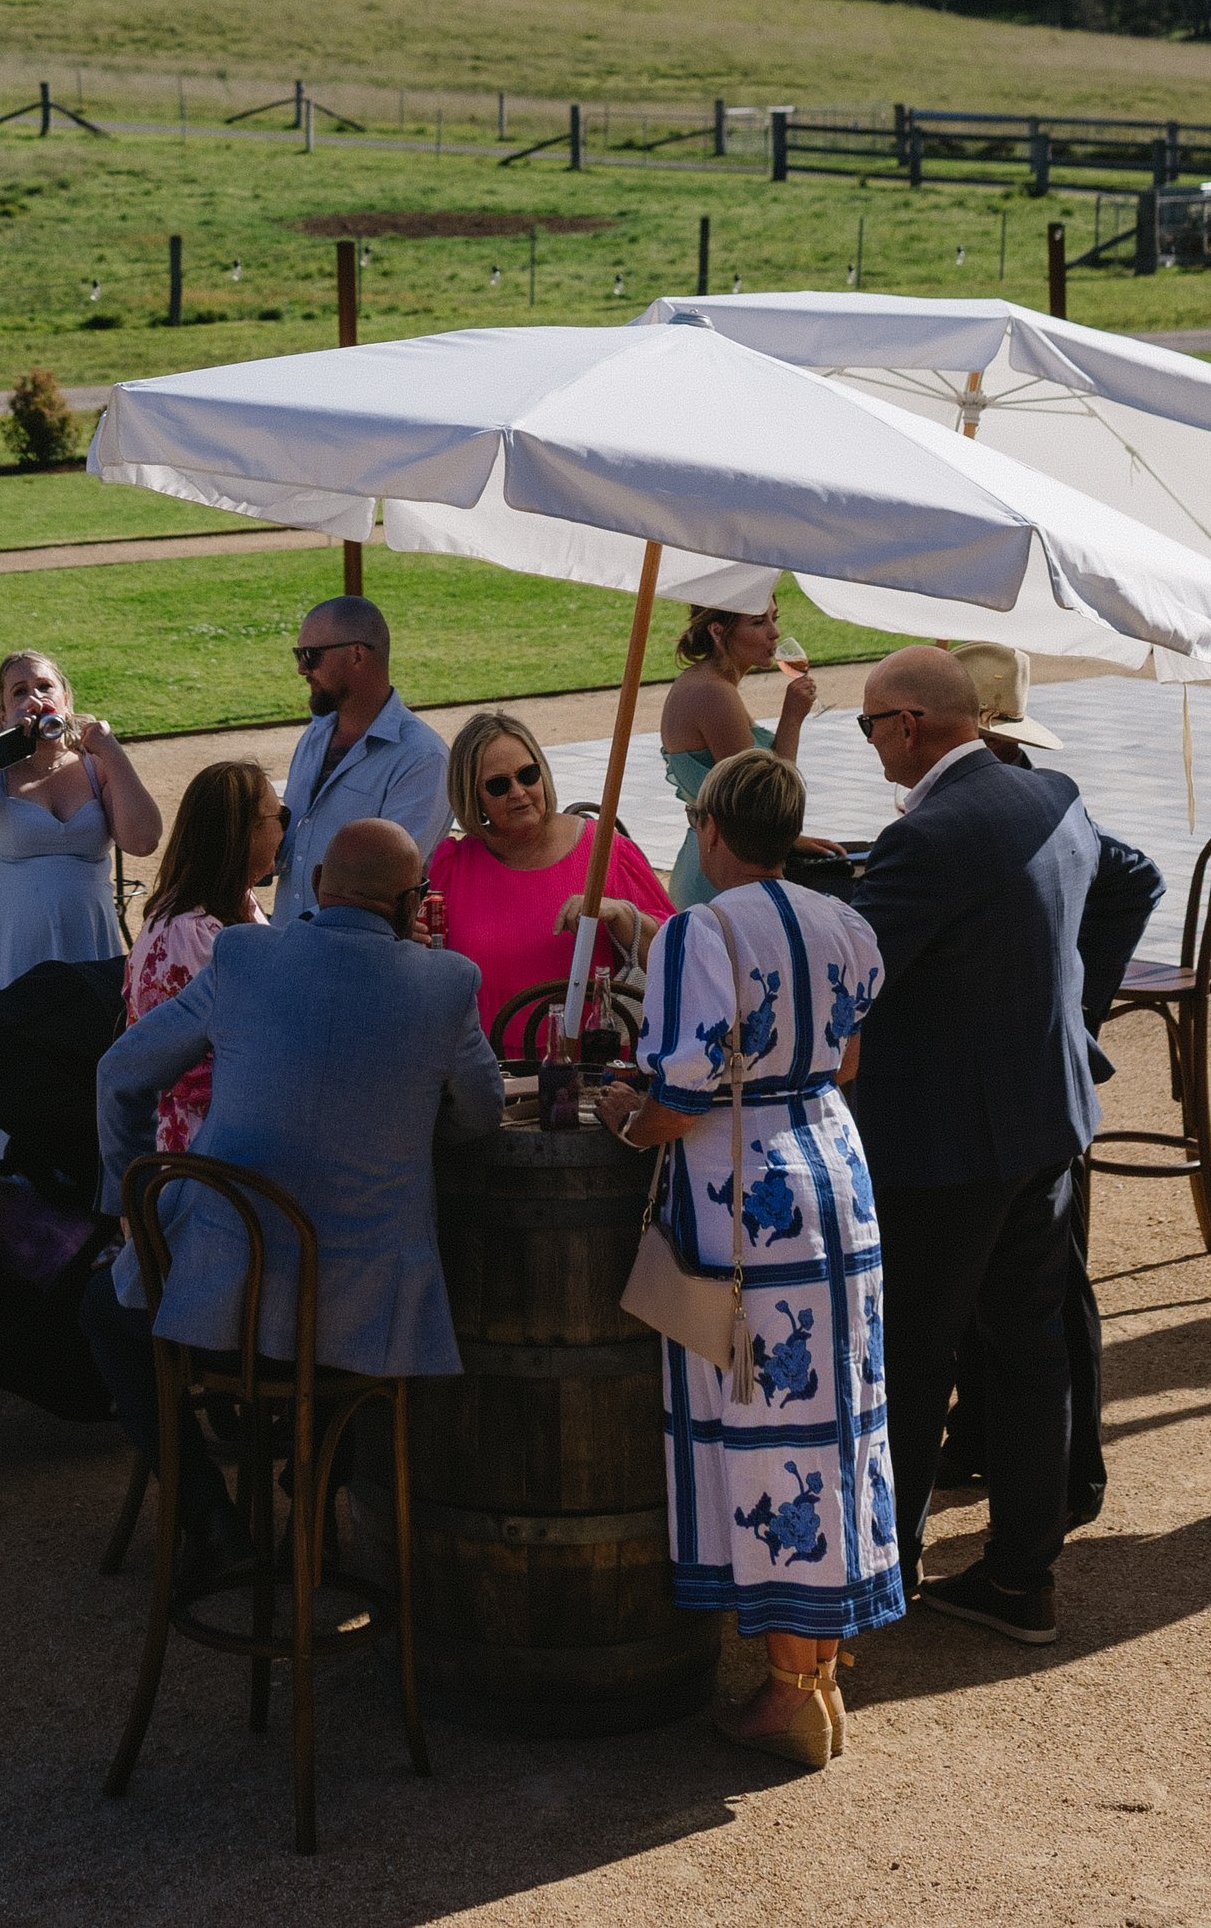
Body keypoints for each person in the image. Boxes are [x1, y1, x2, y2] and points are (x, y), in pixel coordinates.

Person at [86, 820, 504, 1584]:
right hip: (369, 1328)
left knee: (107, 1316)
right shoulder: (447, 983)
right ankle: (315, 1494)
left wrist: (126, 1199)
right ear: (412, 903)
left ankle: (208, 1520)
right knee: (351, 1347)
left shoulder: (243, 956)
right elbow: (480, 1117)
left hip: (220, 1305)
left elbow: (121, 1072)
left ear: (315, 888)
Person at [592, 748, 899, 1770]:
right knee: (832, 1420)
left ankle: (787, 1690)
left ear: (712, 828)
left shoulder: (700, 932)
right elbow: (846, 1058)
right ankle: (815, 1667)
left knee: (767, 1434)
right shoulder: (844, 922)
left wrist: (623, 1124)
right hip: (837, 1175)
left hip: (748, 1195)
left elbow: (678, 1099)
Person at [845, 644, 1100, 1649]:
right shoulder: (1056, 796)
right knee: (1029, 1348)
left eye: (868, 725)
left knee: (910, 1353)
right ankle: (1021, 1575)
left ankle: (888, 1565)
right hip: (1044, 1115)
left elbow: (850, 984)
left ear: (910, 724)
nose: (867, 744)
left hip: (946, 1143)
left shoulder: (927, 839)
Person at [935, 639, 1162, 1531]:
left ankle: (1070, 1481)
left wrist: (1076, 1012)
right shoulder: (1003, 796)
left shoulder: (1031, 800)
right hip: (1021, 1089)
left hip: (1038, 1090)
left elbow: (1134, 877)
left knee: (1049, 1298)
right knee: (1009, 1292)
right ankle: (986, 1442)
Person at [0, 652, 161, 1179]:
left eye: (45, 686)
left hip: (86, 941)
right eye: (19, 691)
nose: (35, 699)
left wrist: (112, 752)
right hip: (6, 945)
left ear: (67, 699)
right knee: (6, 1068)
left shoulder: (97, 768)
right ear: (2, 711)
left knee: (88, 1071)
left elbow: (144, 838)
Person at [428, 712, 671, 1052]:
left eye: (528, 775)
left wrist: (622, 915)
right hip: (491, 1077)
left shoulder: (605, 851)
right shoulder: (452, 868)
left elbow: (681, 957)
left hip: (597, 1073)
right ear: (472, 794)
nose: (518, 792)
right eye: (499, 785)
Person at [122, 757, 283, 1155]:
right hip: (205, 1157)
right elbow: (185, 1070)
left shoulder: (237, 902)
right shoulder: (187, 933)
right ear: (243, 834)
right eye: (280, 816)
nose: (284, 830)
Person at [272, 598, 452, 922]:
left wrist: (297, 937)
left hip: (353, 962)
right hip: (292, 951)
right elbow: (287, 853)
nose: (301, 668)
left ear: (356, 654)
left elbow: (382, 888)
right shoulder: (314, 738)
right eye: (298, 655)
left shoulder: (423, 760)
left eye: (311, 655)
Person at [659, 604, 818, 907]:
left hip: (712, 859)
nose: (775, 632)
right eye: (758, 622)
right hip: (721, 878)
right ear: (718, 632)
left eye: (775, 617)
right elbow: (763, 798)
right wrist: (792, 718)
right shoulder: (714, 693)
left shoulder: (712, 683)